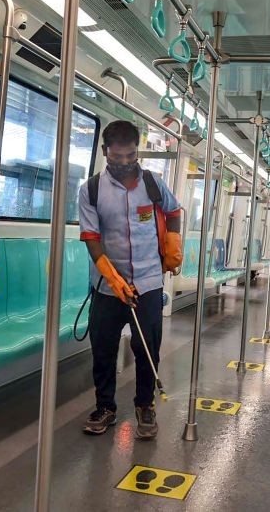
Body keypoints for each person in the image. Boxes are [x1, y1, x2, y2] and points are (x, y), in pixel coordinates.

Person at [78, 120, 183, 439]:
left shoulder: (153, 183)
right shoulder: (92, 189)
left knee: (146, 348)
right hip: (108, 287)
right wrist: (112, 278)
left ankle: (144, 404)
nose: (124, 163)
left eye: (131, 156)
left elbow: (174, 211)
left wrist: (174, 244)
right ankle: (105, 406)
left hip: (149, 283)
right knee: (104, 349)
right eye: (117, 157)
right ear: (104, 152)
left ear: (138, 151)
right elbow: (91, 237)